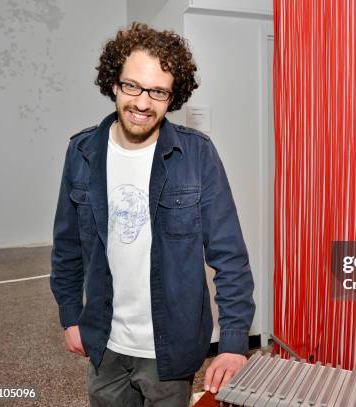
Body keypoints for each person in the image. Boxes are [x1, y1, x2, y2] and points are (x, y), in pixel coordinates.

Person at [50, 22, 255, 407]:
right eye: (132, 86)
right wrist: (71, 316)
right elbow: (66, 248)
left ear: (172, 97)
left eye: (158, 91)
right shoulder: (80, 153)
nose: (143, 103)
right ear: (114, 83)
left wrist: (233, 343)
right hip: (103, 342)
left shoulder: (197, 155)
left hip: (171, 349)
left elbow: (230, 257)